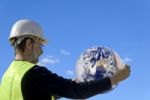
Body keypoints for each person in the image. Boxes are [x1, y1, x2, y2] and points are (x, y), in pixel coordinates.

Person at [0, 19, 130, 100]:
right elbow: (77, 92)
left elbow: (34, 94)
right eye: (40, 45)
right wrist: (115, 78)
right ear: (29, 44)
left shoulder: (6, 77)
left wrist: (73, 83)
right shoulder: (35, 73)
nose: (41, 51)